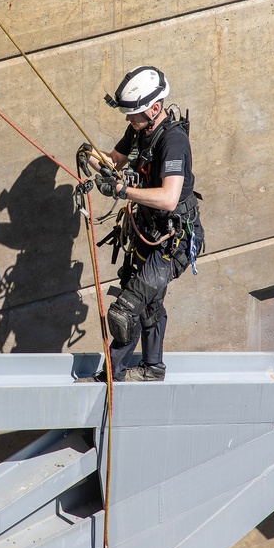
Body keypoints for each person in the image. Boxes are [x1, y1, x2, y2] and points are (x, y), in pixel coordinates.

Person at [77, 65, 204, 382]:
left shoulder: (173, 142)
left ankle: (111, 376)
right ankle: (152, 368)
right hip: (146, 231)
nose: (127, 119)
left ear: (155, 108)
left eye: (132, 113)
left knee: (125, 310)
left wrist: (123, 190)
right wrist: (89, 157)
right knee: (148, 305)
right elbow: (114, 162)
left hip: (173, 241)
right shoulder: (138, 130)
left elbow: (169, 198)